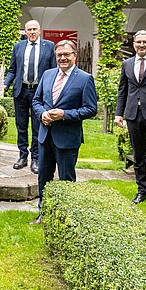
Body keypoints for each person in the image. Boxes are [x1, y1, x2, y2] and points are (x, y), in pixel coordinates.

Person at [31, 40, 97, 224]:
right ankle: (43, 213)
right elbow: (36, 101)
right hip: (45, 136)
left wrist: (64, 115)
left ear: (74, 55)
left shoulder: (84, 79)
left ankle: (66, 217)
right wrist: (42, 113)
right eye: (59, 55)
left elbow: (90, 109)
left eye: (66, 54)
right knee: (44, 176)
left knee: (67, 179)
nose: (62, 58)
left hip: (67, 139)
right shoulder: (48, 74)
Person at [114, 30, 146, 210]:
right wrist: (118, 114)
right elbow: (123, 90)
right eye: (138, 42)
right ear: (134, 44)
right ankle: (141, 191)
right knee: (138, 156)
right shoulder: (127, 64)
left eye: (145, 42)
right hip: (132, 115)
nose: (142, 45)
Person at [4, 20, 56, 174]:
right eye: (29, 30)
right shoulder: (18, 47)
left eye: (34, 29)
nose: (32, 32)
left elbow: (53, 70)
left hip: (38, 93)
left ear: (39, 31)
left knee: (37, 126)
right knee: (21, 126)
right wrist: (6, 84)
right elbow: (12, 69)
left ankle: (36, 158)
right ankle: (22, 156)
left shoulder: (49, 46)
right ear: (25, 32)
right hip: (21, 91)